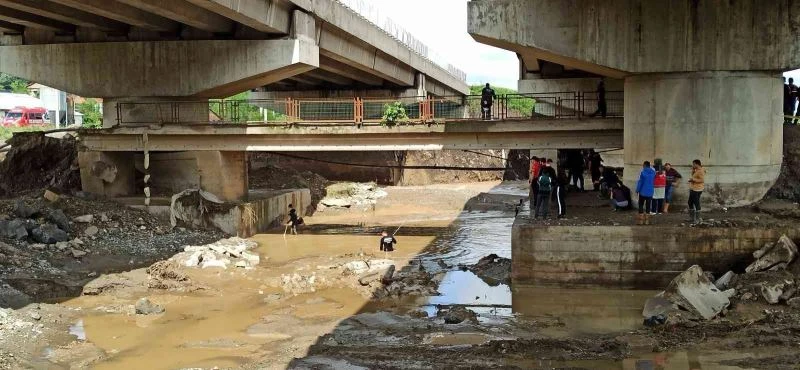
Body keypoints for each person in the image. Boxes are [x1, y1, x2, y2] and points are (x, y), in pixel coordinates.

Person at [635, 161, 656, 225]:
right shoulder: (653, 172)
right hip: (650, 192)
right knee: (648, 205)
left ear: (644, 165)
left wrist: (637, 190)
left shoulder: (642, 172)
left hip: (642, 192)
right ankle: (647, 220)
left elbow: (640, 182)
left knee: (641, 204)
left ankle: (641, 220)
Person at [687, 159, 705, 225]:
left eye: (693, 164)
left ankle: (697, 219)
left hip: (697, 189)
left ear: (697, 164)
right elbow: (693, 175)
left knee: (696, 203)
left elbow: (702, 180)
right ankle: (692, 218)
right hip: (693, 188)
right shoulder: (696, 170)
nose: (693, 165)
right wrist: (692, 170)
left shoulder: (701, 171)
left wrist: (693, 180)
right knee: (690, 202)